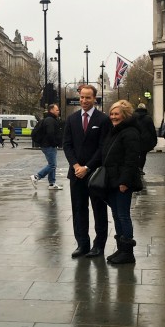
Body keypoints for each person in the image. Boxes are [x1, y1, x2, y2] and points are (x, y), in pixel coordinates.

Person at [62, 85, 112, 258]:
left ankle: (99, 246)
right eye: (82, 97)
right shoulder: (72, 119)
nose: (84, 100)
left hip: (95, 173)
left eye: (88, 97)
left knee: (99, 209)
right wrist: (76, 166)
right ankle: (82, 244)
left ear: (94, 99)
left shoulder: (103, 120)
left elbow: (103, 147)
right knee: (78, 209)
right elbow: (67, 145)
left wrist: (87, 167)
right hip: (76, 174)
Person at [101, 100, 142, 265]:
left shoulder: (130, 132)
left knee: (123, 215)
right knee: (116, 214)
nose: (113, 116)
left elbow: (131, 160)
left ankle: (127, 252)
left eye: (116, 114)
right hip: (112, 179)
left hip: (122, 181)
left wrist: (124, 181)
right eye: (111, 113)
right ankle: (121, 248)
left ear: (124, 115)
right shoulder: (115, 131)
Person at [30, 104, 63, 190]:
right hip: (49, 145)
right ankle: (36, 177)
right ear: (51, 110)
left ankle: (52, 183)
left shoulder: (48, 119)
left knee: (51, 164)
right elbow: (50, 133)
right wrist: (55, 143)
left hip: (47, 145)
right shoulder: (50, 120)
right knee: (52, 165)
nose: (58, 112)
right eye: (57, 110)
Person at [133, 103, 157, 174]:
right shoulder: (148, 118)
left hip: (135, 138)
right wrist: (154, 140)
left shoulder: (133, 117)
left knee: (135, 154)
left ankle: (135, 168)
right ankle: (140, 168)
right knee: (143, 155)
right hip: (145, 139)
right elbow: (152, 130)